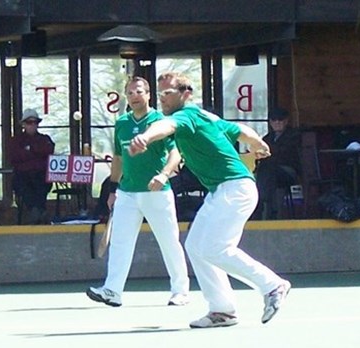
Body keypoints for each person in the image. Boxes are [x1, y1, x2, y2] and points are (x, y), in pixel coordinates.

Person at [129, 71, 291, 329]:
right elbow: (240, 130)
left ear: (185, 94)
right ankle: (222, 310)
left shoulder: (186, 116)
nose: (163, 100)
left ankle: (273, 286)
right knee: (195, 246)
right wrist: (258, 143)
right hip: (222, 191)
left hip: (235, 189)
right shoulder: (207, 116)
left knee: (216, 248)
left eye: (168, 94)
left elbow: (166, 127)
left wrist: (145, 137)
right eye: (160, 95)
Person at [86, 76, 191, 307]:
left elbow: (176, 154)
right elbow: (119, 158)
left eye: (139, 92)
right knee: (121, 242)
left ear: (148, 94)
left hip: (158, 192)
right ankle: (112, 290)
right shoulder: (122, 123)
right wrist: (113, 189)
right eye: (130, 93)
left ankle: (180, 290)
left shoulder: (161, 121)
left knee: (169, 241)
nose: (135, 96)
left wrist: (163, 174)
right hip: (127, 193)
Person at [253, 108, 301, 219]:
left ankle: (263, 207)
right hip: (269, 174)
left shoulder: (294, 136)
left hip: (289, 172)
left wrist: (267, 154)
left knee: (267, 170)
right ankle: (264, 207)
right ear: (270, 122)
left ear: (286, 121)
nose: (277, 122)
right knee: (263, 171)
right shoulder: (267, 138)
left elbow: (285, 155)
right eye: (274, 120)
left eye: (280, 119)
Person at [10, 108, 55, 224]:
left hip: (41, 175)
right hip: (22, 176)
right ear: (24, 124)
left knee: (42, 184)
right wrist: (37, 152)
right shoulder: (16, 140)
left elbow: (49, 150)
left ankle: (36, 212)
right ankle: (38, 211)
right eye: (29, 122)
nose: (33, 125)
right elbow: (14, 157)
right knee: (22, 185)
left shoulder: (44, 139)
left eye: (35, 122)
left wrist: (29, 150)